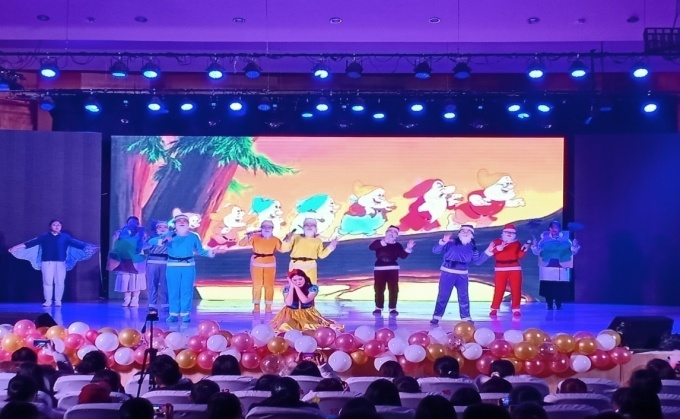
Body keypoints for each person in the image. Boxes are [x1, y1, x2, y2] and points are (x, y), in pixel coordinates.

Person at [9, 219, 98, 307]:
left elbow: (77, 244)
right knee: (47, 282)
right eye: (54, 225)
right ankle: (48, 301)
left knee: (60, 282)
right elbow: (31, 243)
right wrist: (16, 247)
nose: (57, 226)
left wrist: (91, 247)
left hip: (61, 263)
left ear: (61, 227)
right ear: (50, 226)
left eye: (59, 225)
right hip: (47, 262)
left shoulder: (65, 237)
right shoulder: (44, 236)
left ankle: (58, 301)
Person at [155, 214, 215, 323]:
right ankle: (173, 314)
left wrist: (210, 253)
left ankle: (185, 314)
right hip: (173, 267)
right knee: (173, 290)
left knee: (186, 290)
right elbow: (151, 241)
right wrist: (162, 241)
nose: (182, 223)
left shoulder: (193, 236)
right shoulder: (170, 235)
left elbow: (200, 250)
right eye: (179, 221)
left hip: (188, 267)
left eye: (184, 221)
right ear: (175, 224)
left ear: (188, 224)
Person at [431, 225, 489, 324]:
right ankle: (436, 316)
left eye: (468, 231)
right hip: (447, 271)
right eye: (463, 231)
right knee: (443, 295)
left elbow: (477, 261)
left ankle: (466, 317)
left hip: (462, 273)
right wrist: (443, 241)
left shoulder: (472, 247)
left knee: (464, 296)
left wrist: (488, 251)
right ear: (459, 233)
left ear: (472, 235)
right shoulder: (450, 242)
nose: (465, 233)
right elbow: (435, 250)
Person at [270, 269, 341, 332]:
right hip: (290, 314)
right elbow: (288, 303)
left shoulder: (312, 288)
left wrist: (296, 288)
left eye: (300, 279)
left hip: (307, 313)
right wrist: (292, 287)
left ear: (305, 278)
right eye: (295, 280)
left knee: (311, 327)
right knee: (285, 326)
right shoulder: (287, 289)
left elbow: (304, 300)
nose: (298, 282)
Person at [531, 221, 581, 310]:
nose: (553, 229)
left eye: (555, 227)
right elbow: (537, 252)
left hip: (560, 270)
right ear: (549, 229)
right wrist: (534, 246)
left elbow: (573, 252)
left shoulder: (566, 240)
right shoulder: (544, 239)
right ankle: (549, 304)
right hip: (547, 269)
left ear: (559, 229)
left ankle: (559, 304)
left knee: (559, 288)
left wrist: (574, 246)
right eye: (551, 227)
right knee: (548, 287)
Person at [368, 225, 415, 316]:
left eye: (394, 232)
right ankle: (378, 307)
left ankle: (392, 308)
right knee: (379, 289)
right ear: (386, 233)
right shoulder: (379, 242)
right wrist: (385, 241)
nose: (392, 233)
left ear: (397, 235)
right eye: (390, 231)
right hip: (379, 268)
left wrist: (408, 248)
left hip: (393, 268)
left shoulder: (397, 245)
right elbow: (371, 247)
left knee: (393, 289)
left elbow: (403, 256)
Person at [238, 220, 282, 314]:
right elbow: (241, 244)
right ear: (261, 228)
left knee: (269, 285)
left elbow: (282, 249)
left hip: (270, 263)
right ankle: (256, 306)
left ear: (272, 229)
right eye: (264, 227)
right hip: (256, 263)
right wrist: (247, 237)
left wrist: (287, 240)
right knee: (257, 285)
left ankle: (268, 306)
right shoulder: (254, 237)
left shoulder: (275, 240)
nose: (267, 229)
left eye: (269, 227)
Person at [486, 224, 529, 316]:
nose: (509, 234)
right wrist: (498, 248)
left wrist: (523, 250)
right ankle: (494, 308)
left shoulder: (517, 243)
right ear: (503, 233)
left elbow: (519, 256)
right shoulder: (496, 242)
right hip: (500, 269)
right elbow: (490, 252)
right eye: (507, 232)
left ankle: (516, 309)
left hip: (515, 268)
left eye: (511, 233)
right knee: (499, 289)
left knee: (516, 289)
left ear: (514, 234)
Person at [281, 218, 338, 284]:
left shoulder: (318, 241)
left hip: (311, 266)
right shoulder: (295, 237)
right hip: (295, 265)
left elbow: (321, 255)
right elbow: (284, 249)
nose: (309, 227)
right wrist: (287, 240)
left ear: (315, 228)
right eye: (307, 225)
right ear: (303, 227)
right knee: (295, 286)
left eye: (312, 225)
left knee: (311, 286)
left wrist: (331, 247)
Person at [107, 216, 147, 307]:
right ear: (127, 223)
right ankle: (127, 299)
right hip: (125, 256)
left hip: (137, 257)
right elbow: (115, 245)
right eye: (130, 222)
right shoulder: (121, 232)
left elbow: (144, 244)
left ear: (137, 223)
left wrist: (141, 236)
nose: (132, 223)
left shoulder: (141, 232)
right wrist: (116, 237)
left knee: (137, 279)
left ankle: (135, 299)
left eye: (134, 222)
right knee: (126, 280)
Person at [144, 220, 169, 311]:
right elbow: (143, 246)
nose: (162, 229)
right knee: (152, 284)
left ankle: (165, 305)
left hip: (165, 262)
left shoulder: (170, 238)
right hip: (152, 262)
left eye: (165, 227)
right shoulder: (151, 238)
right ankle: (152, 305)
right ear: (156, 229)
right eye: (160, 227)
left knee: (165, 284)